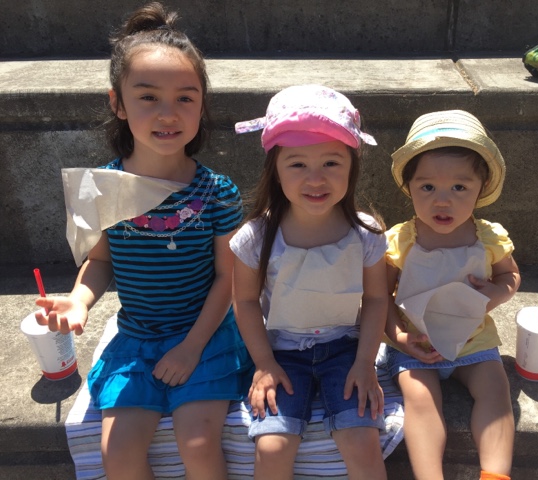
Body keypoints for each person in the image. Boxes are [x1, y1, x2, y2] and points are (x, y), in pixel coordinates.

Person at [35, 3, 252, 479]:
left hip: (206, 335)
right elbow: (100, 262)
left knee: (198, 443)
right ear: (117, 103)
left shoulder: (217, 191)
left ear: (202, 105)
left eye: (185, 98)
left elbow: (228, 278)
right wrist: (78, 301)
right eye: (148, 96)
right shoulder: (101, 187)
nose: (168, 113)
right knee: (118, 453)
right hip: (136, 338)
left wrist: (191, 347)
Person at [231, 84, 389, 480]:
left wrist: (365, 362)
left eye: (332, 163)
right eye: (297, 164)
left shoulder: (366, 233)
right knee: (272, 447)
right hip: (281, 352)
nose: (315, 178)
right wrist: (264, 363)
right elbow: (245, 302)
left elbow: (376, 299)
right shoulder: (256, 236)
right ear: (275, 169)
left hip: (346, 349)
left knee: (363, 442)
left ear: (352, 166)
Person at [384, 110, 520, 480]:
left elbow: (510, 275)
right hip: (417, 343)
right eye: (427, 187)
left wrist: (497, 292)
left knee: (496, 391)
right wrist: (398, 336)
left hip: (473, 340)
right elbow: (379, 297)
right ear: (409, 187)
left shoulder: (488, 237)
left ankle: (495, 475)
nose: (442, 201)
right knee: (420, 400)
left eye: (460, 187)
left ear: (481, 188)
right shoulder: (401, 240)